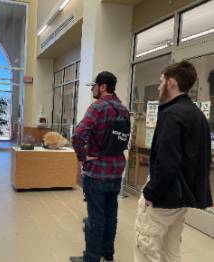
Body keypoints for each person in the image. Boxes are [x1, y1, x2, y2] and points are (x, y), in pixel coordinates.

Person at [134, 61, 213, 262]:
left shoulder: (171, 115)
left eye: (161, 82)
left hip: (163, 198)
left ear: (171, 83)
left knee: (146, 248)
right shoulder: (198, 115)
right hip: (180, 199)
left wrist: (151, 192)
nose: (159, 87)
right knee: (171, 251)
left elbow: (167, 163)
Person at [70, 71, 130, 262]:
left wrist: (82, 157)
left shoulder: (97, 107)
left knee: (95, 217)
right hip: (117, 170)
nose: (92, 89)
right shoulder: (123, 109)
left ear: (103, 87)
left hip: (97, 171)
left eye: (94, 85)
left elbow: (78, 135)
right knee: (111, 215)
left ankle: (91, 258)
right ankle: (107, 253)